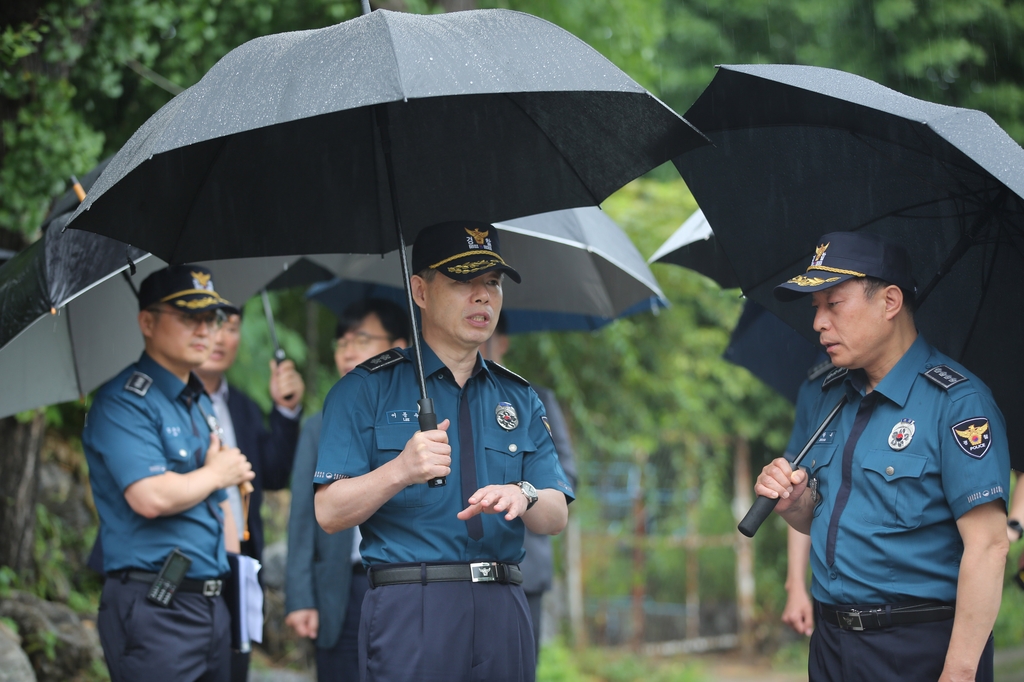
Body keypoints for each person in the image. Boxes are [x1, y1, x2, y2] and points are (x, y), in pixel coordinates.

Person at [313, 221, 575, 682]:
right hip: (413, 606)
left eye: (492, 283)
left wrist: (525, 495)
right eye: (462, 281)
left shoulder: (519, 397)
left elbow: (556, 515)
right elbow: (329, 512)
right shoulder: (363, 391)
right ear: (420, 290)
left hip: (502, 605)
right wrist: (400, 469)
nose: (482, 297)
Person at [755, 232, 1010, 682]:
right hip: (832, 644)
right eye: (815, 308)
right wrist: (795, 506)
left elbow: (988, 545)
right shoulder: (834, 395)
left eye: (833, 304)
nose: (818, 323)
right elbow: (830, 517)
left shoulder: (957, 404)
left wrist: (960, 671)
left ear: (890, 301)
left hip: (916, 647)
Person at [83, 265, 255, 682]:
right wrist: (217, 473)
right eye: (187, 317)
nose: (204, 330)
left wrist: (238, 591)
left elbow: (218, 507)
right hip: (156, 604)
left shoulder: (197, 401)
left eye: (210, 319)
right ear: (147, 321)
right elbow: (150, 496)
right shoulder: (123, 402)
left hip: (211, 601)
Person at [285, 298, 409, 682]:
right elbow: (303, 520)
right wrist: (300, 597)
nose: (347, 351)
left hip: (404, 582)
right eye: (340, 342)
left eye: (361, 339)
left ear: (400, 347)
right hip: (342, 585)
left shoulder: (420, 418)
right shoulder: (318, 425)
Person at [194, 304, 305, 682]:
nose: (222, 337)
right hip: (187, 567)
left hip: (239, 565)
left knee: (234, 667)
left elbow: (272, 474)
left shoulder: (241, 406)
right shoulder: (166, 405)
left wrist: (285, 410)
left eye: (233, 328)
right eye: (211, 325)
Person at [480, 314, 578, 658]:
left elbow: (565, 474)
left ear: (502, 341)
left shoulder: (533, 398)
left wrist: (521, 489)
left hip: (523, 563)